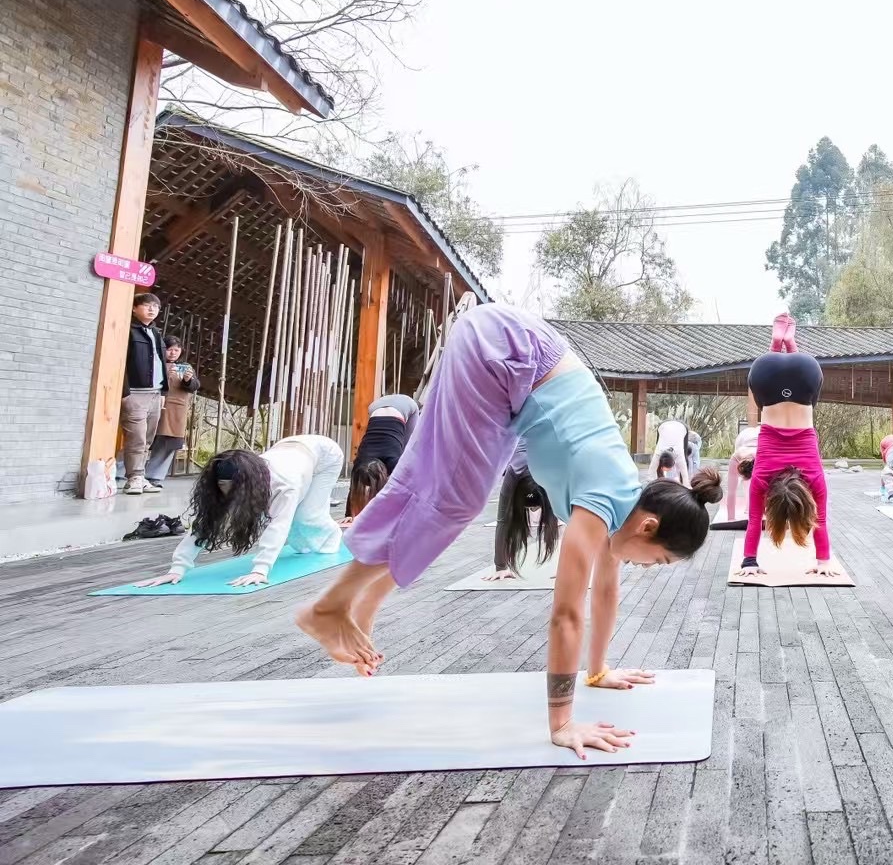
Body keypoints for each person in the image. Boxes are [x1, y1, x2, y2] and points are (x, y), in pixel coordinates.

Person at [296, 304, 722, 759]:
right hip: (504, 352)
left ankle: (359, 606)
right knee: (456, 499)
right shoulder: (601, 499)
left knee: (438, 485)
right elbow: (566, 614)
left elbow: (605, 594)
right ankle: (331, 607)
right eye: (656, 560)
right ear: (648, 526)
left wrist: (598, 671)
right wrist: (562, 723)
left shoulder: (624, 509)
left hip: (514, 370)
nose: (647, 567)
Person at [134, 435, 346, 588]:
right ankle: (308, 543)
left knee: (306, 517)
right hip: (289, 447)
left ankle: (332, 540)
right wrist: (177, 568)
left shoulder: (285, 484)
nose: (227, 494)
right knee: (297, 528)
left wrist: (260, 570)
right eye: (223, 487)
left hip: (324, 455)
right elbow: (206, 522)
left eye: (232, 489)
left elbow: (279, 524)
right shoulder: (242, 474)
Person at [738, 313, 836, 577]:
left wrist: (823, 560)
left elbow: (821, 522)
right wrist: (749, 561)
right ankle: (778, 347)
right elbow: (754, 520)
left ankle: (791, 347)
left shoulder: (814, 479)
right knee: (766, 402)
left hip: (807, 369)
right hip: (764, 371)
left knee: (808, 402)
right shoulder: (761, 479)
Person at [484, 440, 555, 581]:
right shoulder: (513, 473)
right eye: (530, 508)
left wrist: (568, 567)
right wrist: (500, 567)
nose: (534, 511)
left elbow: (571, 520)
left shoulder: (552, 474)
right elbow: (503, 521)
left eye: (535, 508)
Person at [345, 393, 421, 519]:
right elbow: (353, 488)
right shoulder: (360, 464)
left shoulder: (394, 463)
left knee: (410, 448)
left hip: (404, 405)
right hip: (376, 406)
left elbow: (409, 485)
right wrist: (349, 514)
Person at [121, 293, 168, 494]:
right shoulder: (128, 330)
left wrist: (164, 390)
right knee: (137, 438)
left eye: (155, 307)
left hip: (155, 393)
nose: (151, 309)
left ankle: (141, 476)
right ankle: (134, 478)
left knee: (148, 439)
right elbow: (120, 362)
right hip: (135, 393)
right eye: (147, 305)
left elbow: (160, 363)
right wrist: (125, 392)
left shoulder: (156, 333)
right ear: (134, 308)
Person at [145, 336, 200, 489]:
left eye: (176, 350)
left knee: (167, 442)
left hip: (175, 409)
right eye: (170, 349)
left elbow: (195, 385)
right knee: (141, 438)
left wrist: (188, 380)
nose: (173, 353)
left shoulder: (185, 366)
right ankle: (125, 472)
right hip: (153, 404)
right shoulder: (155, 362)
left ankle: (153, 476)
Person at [722, 423, 760, 522]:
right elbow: (731, 491)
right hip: (743, 437)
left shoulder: (764, 457)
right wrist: (731, 519)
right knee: (742, 484)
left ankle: (749, 507)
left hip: (761, 436)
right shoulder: (735, 457)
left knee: (757, 485)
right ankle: (748, 507)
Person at [648, 418, 693, 488]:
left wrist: (685, 484)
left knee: (685, 456)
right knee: (658, 444)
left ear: (674, 462)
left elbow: (686, 479)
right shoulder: (658, 453)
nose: (669, 471)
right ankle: (659, 480)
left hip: (682, 427)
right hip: (663, 426)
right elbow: (650, 476)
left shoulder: (679, 454)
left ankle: (680, 482)